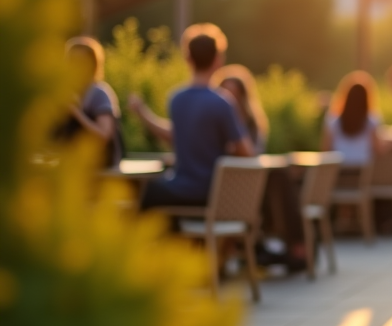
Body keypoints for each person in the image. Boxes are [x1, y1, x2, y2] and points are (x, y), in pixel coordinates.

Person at [131, 23, 256, 209]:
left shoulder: (175, 99)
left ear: (188, 58)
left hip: (182, 189)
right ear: (218, 60)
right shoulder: (223, 102)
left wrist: (142, 113)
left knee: (144, 192)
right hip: (211, 192)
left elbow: (173, 135)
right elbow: (246, 152)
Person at [56, 36, 123, 168]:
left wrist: (76, 113)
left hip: (101, 164)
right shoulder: (67, 93)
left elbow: (104, 135)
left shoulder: (99, 94)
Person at [322, 71, 383, 166]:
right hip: (362, 170)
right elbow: (377, 150)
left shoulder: (333, 121)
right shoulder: (371, 121)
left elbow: (326, 150)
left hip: (339, 170)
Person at [214, 64, 269, 153]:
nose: (229, 101)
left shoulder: (252, 123)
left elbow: (254, 151)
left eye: (234, 94)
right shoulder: (214, 120)